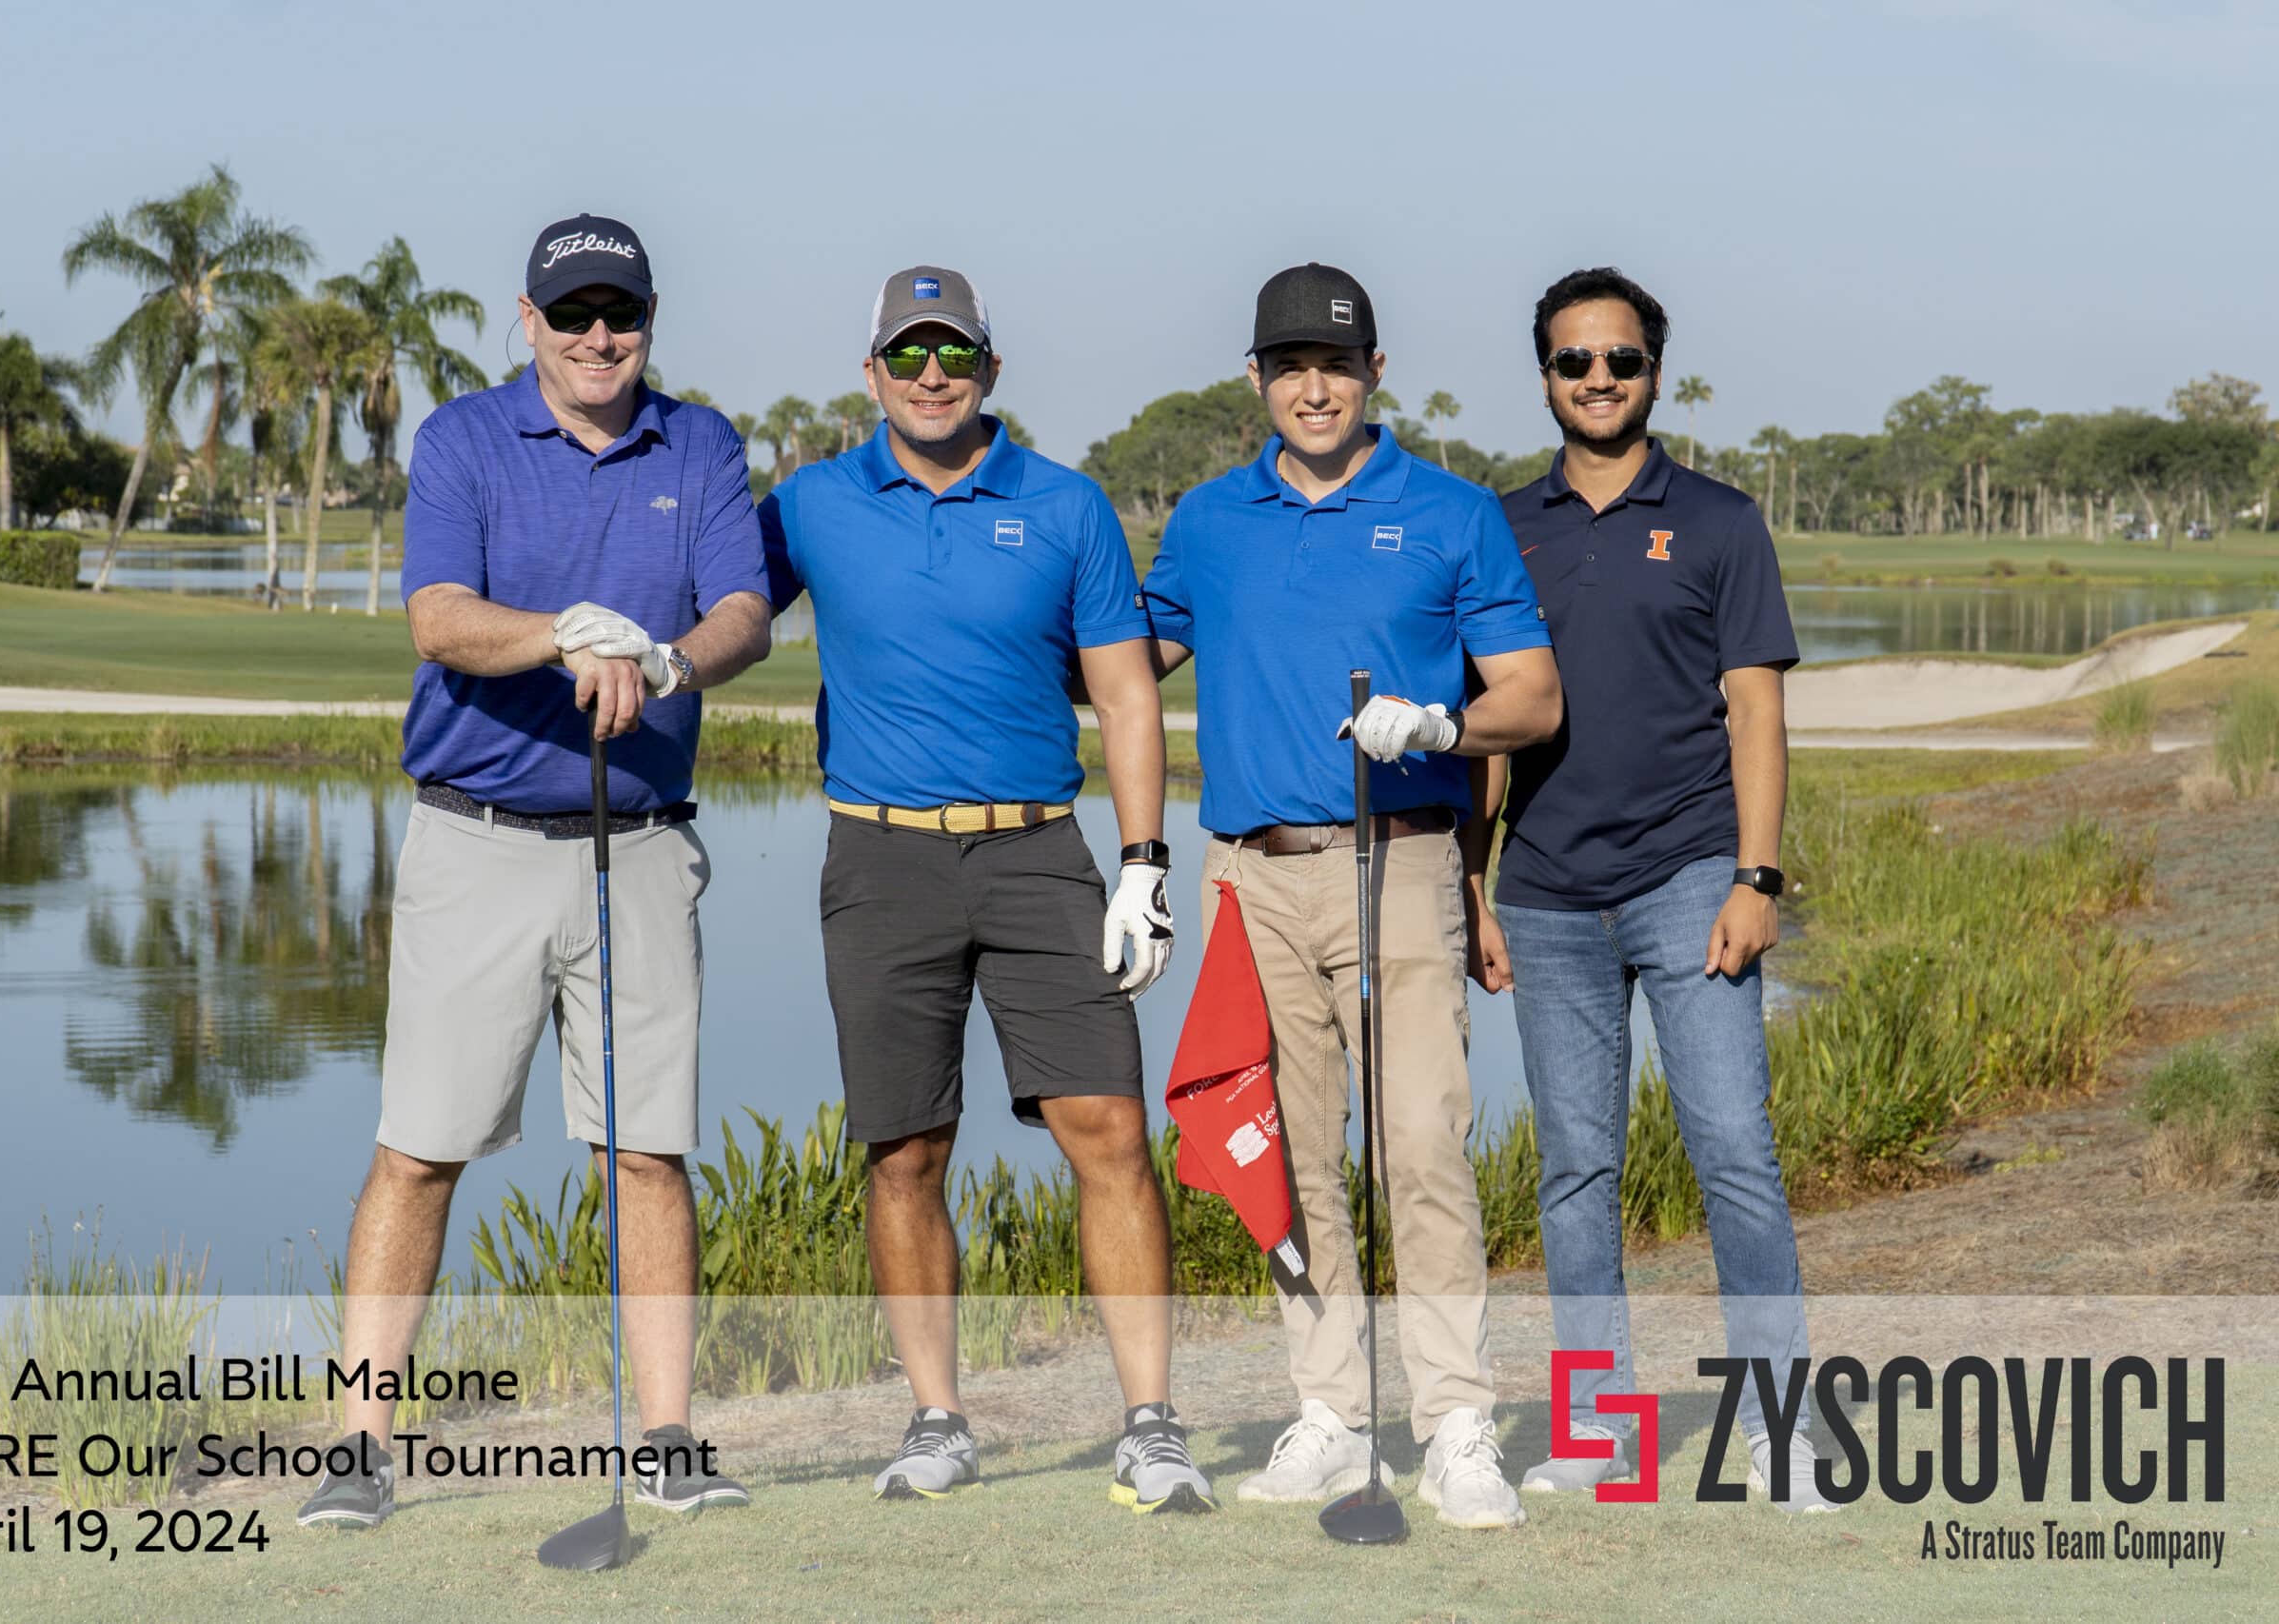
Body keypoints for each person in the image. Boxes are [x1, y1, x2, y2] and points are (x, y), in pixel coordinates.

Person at [296, 213, 774, 1530]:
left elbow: (744, 613)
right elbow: (438, 617)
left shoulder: (701, 445)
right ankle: (360, 1446)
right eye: (573, 315)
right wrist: (563, 635)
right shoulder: (464, 439)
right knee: (420, 1151)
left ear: (650, 319)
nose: (598, 337)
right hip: (479, 844)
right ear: (529, 321)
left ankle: (667, 1439)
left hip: (643, 846)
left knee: (647, 1151)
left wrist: (669, 659)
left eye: (621, 313)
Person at [760, 267, 1209, 1515]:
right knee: (905, 1148)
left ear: (991, 368)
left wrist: (1143, 861)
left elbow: (1125, 692)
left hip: (1036, 854)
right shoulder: (813, 503)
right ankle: (938, 1418)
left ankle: (1152, 1422)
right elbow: (724, 608)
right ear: (872, 374)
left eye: (953, 351)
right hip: (880, 859)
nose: (931, 374)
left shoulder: (1064, 506)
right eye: (907, 353)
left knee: (1110, 1130)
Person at [1140, 264, 1561, 1531]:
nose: (1312, 389)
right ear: (1256, 379)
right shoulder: (1210, 520)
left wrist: (1438, 723)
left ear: (1375, 370)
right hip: (1250, 873)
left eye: (1335, 364)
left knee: (1422, 1144)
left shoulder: (1451, 512)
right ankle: (1329, 1409)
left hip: (1404, 857)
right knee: (1292, 1155)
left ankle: (1454, 1422)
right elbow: (1126, 657)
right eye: (1289, 367)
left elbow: (1532, 696)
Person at [1468, 266, 1833, 1513]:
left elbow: (1757, 712)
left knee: (1735, 1153)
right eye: (1575, 360)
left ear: (1654, 373)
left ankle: (1781, 1428)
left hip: (1690, 880)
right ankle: (1601, 1431)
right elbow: (1488, 730)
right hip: (1545, 895)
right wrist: (1474, 888)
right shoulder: (1500, 529)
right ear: (1546, 377)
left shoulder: (1721, 521)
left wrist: (1756, 877)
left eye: (1620, 359)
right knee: (1575, 1172)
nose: (1599, 378)